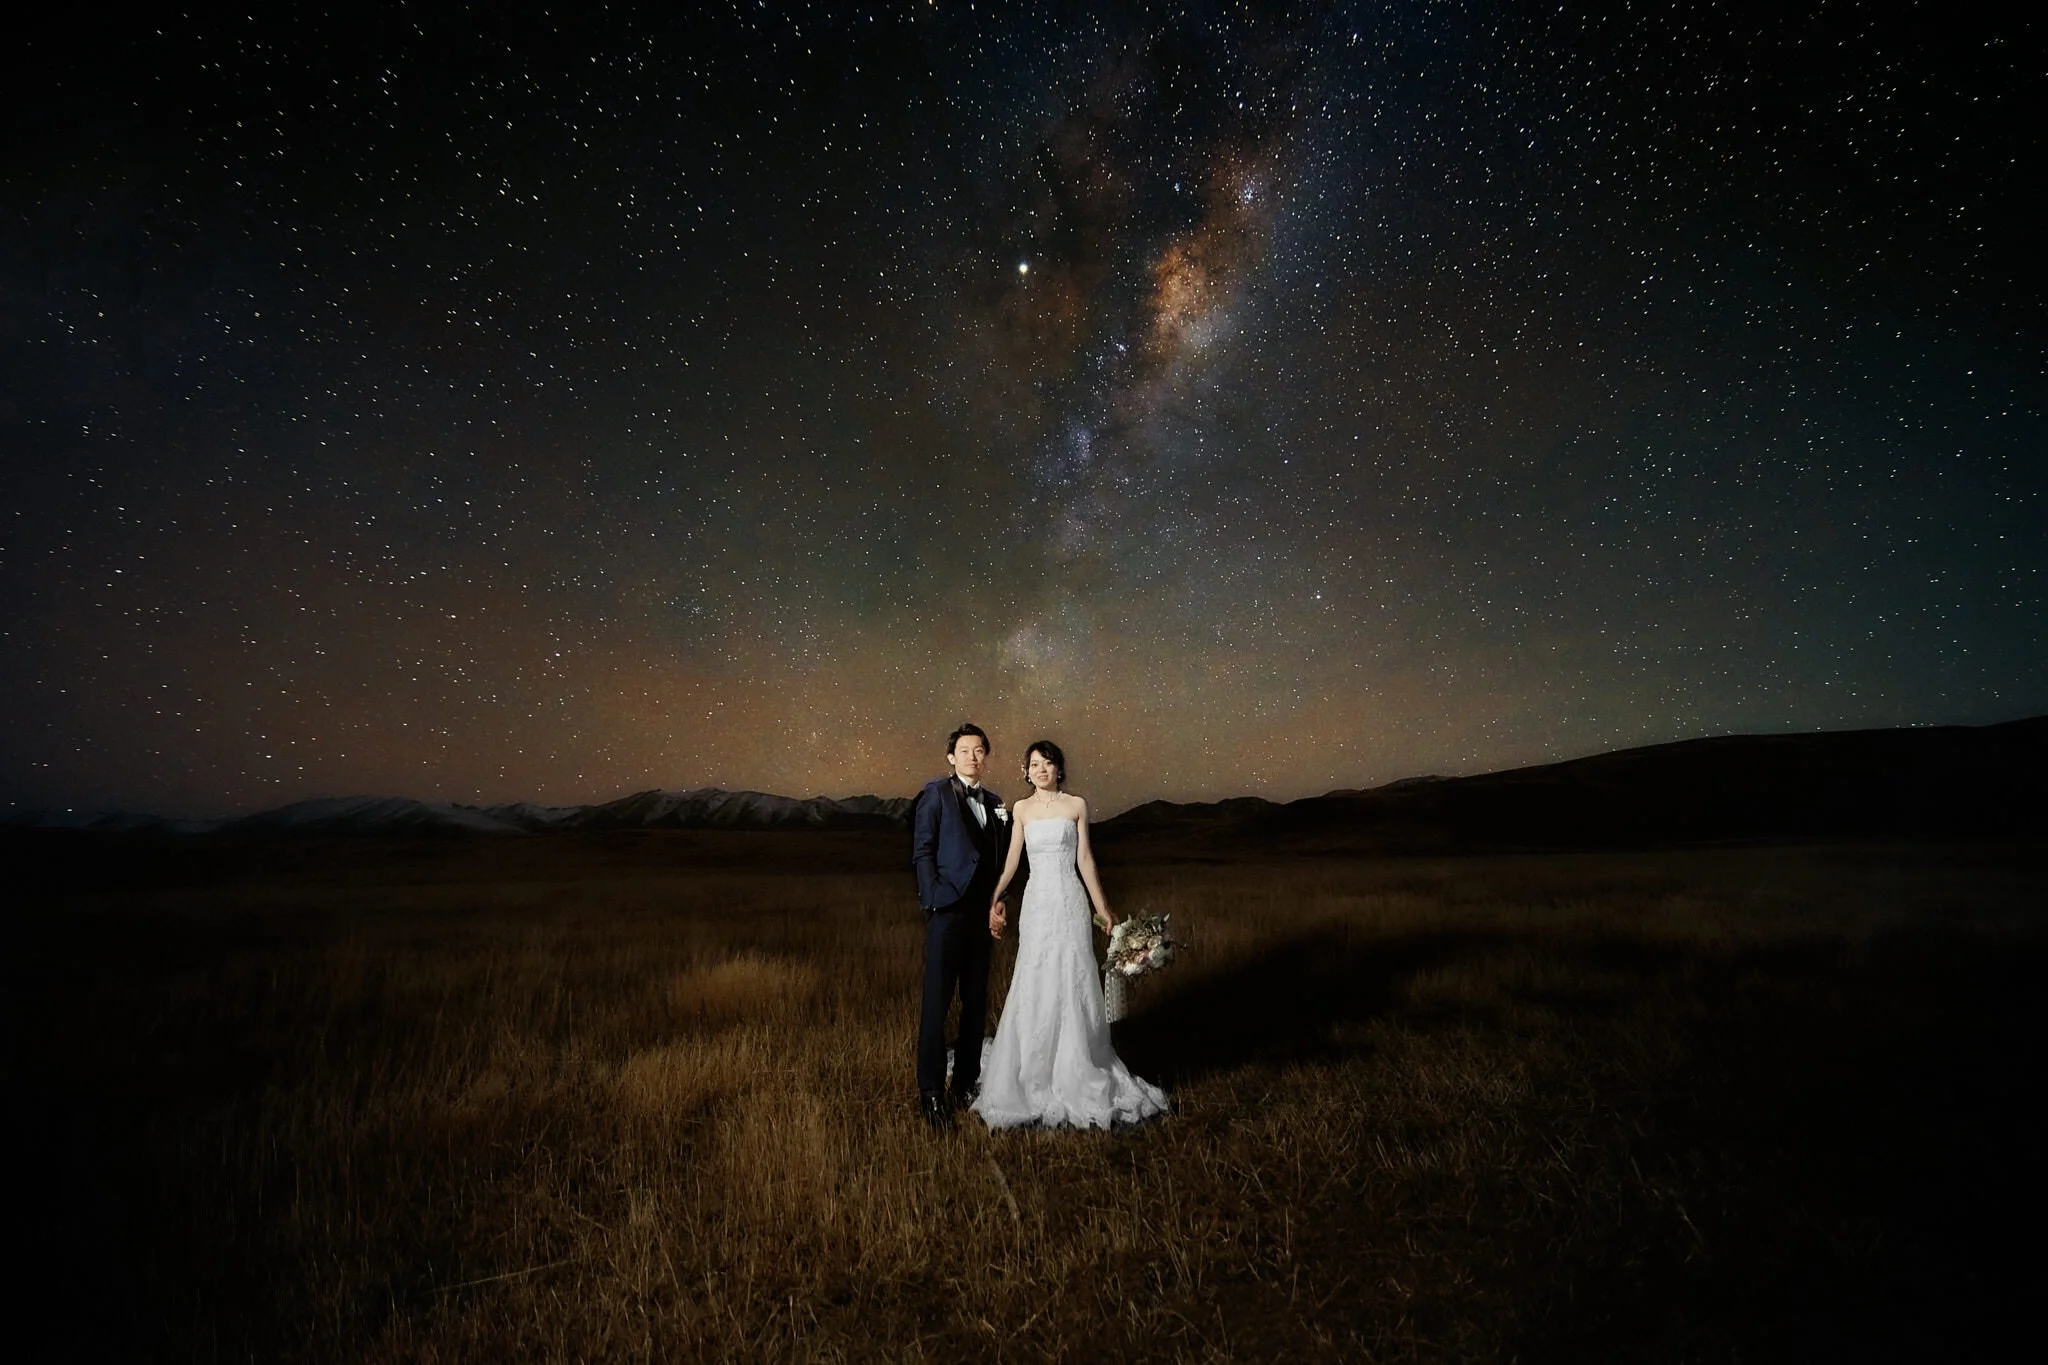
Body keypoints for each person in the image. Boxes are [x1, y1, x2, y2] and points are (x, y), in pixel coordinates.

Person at [973, 740, 1169, 1130]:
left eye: (1047, 763)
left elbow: (1084, 860)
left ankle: (1079, 1065)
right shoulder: (1022, 809)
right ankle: (1033, 1065)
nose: (1041, 769)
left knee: (1073, 975)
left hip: (1070, 901)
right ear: (1025, 771)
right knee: (1035, 975)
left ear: (1058, 768)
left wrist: (1102, 909)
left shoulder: (1076, 805)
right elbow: (1014, 859)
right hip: (1037, 904)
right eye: (1034, 764)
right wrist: (995, 897)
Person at [910, 723, 1014, 1131]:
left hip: (981, 918)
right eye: (965, 750)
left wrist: (999, 902)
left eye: (979, 750)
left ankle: (966, 1083)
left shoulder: (996, 803)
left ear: (986, 757)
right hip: (947, 914)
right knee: (936, 1005)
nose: (973, 756)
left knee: (975, 1004)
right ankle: (931, 1093)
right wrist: (933, 897)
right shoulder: (935, 795)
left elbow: (1002, 861)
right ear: (952, 757)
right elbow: (922, 851)